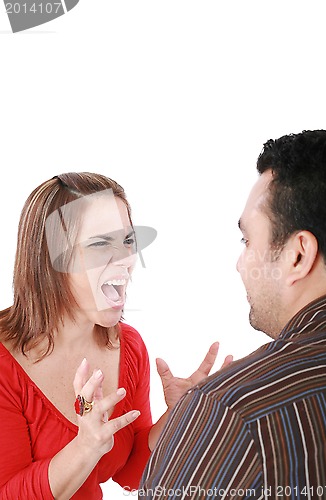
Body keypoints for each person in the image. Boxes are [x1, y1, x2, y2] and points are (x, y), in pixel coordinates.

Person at [0, 172, 232, 499]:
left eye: (127, 240)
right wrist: (85, 446)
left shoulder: (128, 346)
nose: (125, 259)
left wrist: (175, 417)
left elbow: (128, 474)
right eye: (99, 243)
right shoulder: (4, 364)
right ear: (50, 260)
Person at [140, 129, 326, 499]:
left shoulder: (231, 414)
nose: (240, 264)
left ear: (298, 255)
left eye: (247, 241)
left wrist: (204, 422)